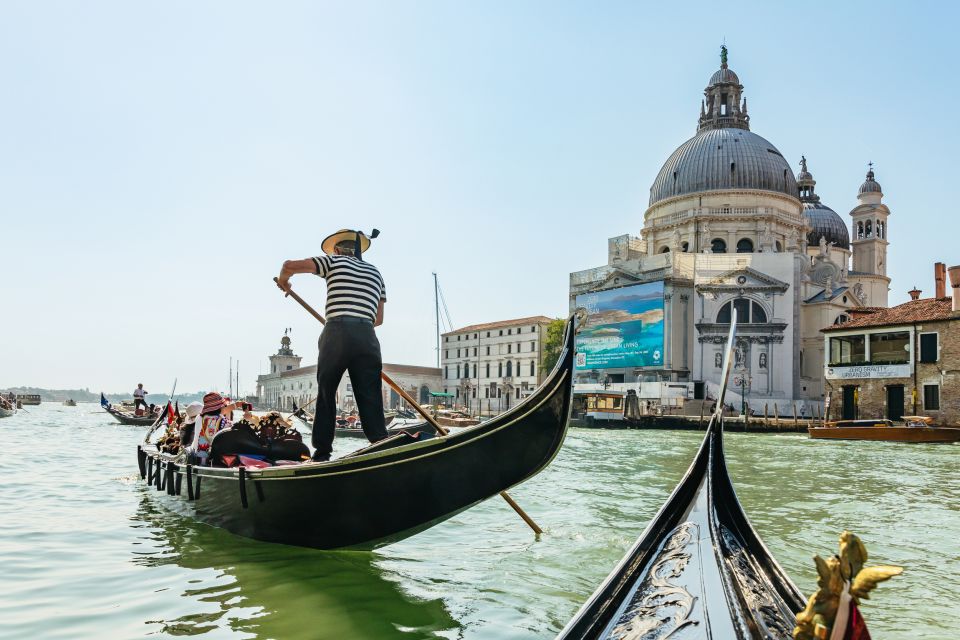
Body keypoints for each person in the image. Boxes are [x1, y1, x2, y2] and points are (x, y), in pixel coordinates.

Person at [277, 228, 388, 462]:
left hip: (336, 332)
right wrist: (358, 327)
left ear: (337, 250)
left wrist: (285, 283)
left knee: (327, 393)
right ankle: (380, 443)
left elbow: (288, 265)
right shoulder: (376, 273)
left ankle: (323, 452)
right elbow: (378, 319)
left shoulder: (333, 262)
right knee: (370, 395)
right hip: (367, 337)